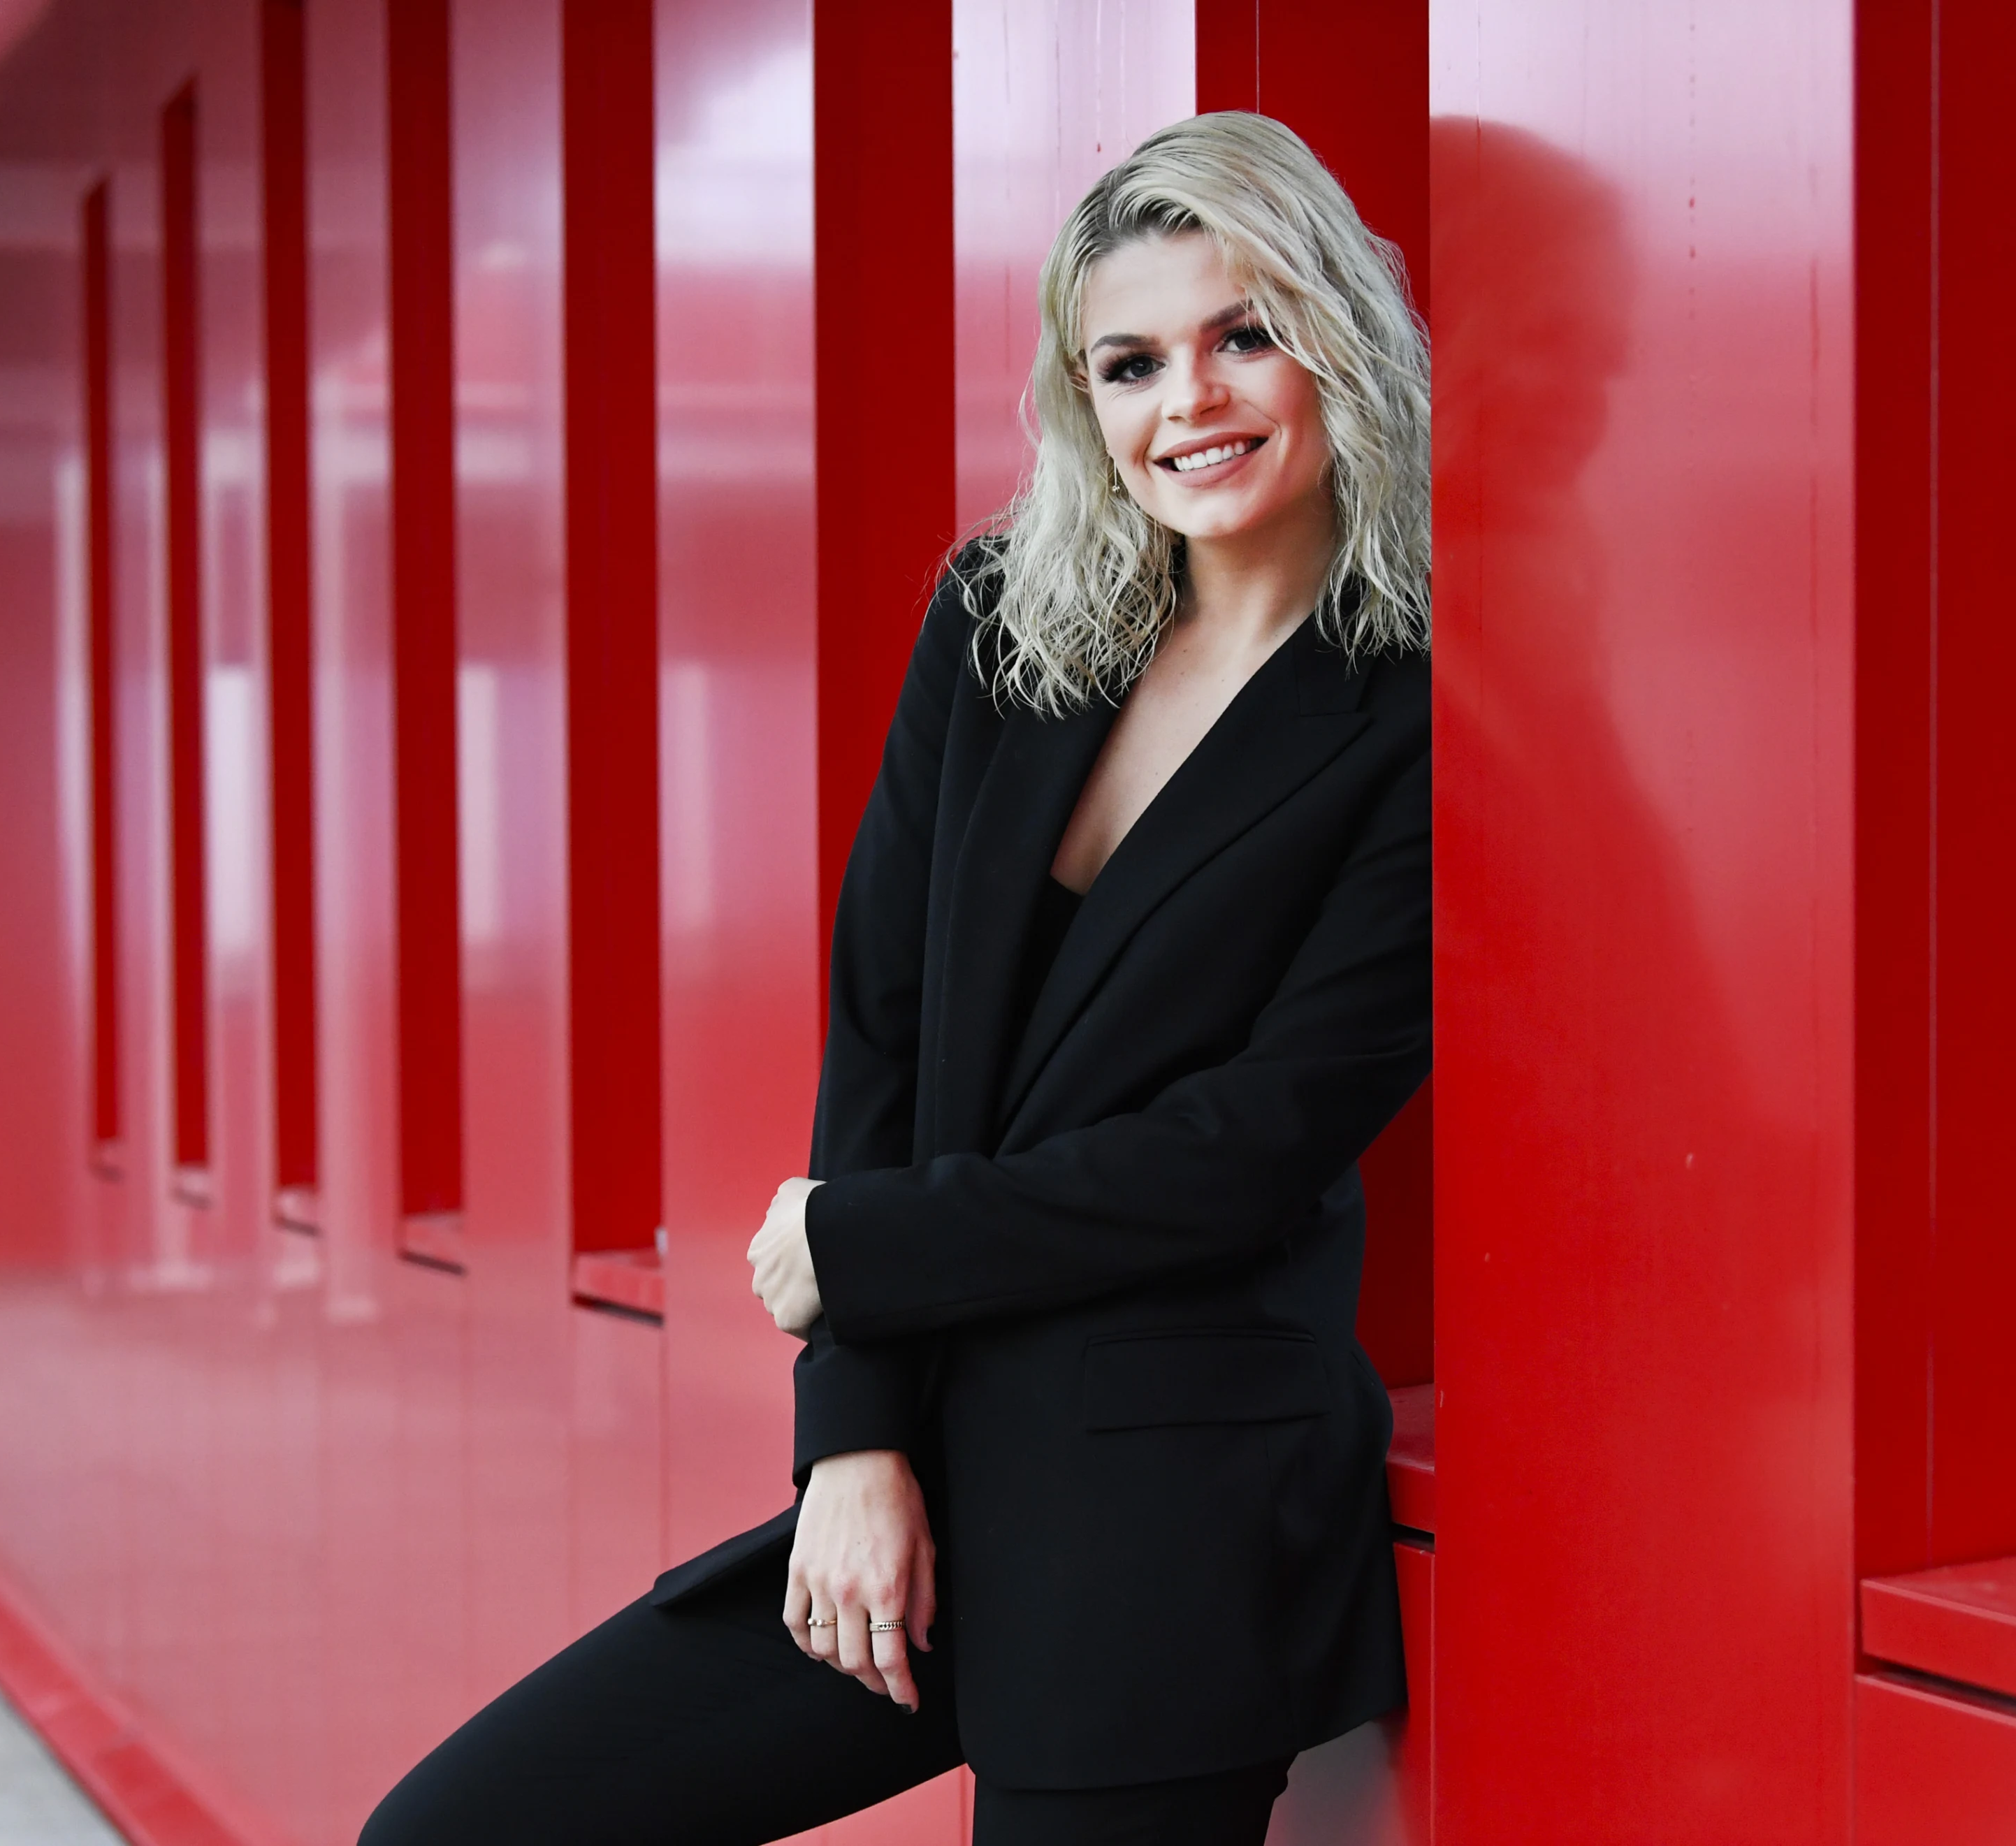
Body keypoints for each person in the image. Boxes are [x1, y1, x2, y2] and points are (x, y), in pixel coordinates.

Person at [360, 109, 1431, 1846]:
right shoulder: (1007, 621)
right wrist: (849, 1436)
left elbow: (1258, 1141)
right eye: (1132, 363)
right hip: (921, 1459)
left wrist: (866, 1245)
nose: (1192, 402)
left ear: (1338, 339)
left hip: (1173, 1517)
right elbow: (885, 1028)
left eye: (1245, 335)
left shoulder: (1419, 709)